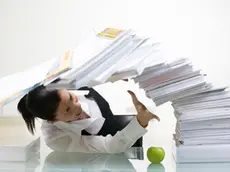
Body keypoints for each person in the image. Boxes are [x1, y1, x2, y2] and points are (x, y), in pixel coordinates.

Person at [17, 85, 160, 153]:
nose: (77, 107)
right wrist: (140, 122)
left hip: (126, 125)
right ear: (53, 121)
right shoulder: (58, 139)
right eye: (67, 110)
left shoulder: (75, 85)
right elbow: (110, 146)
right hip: (106, 157)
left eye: (72, 98)